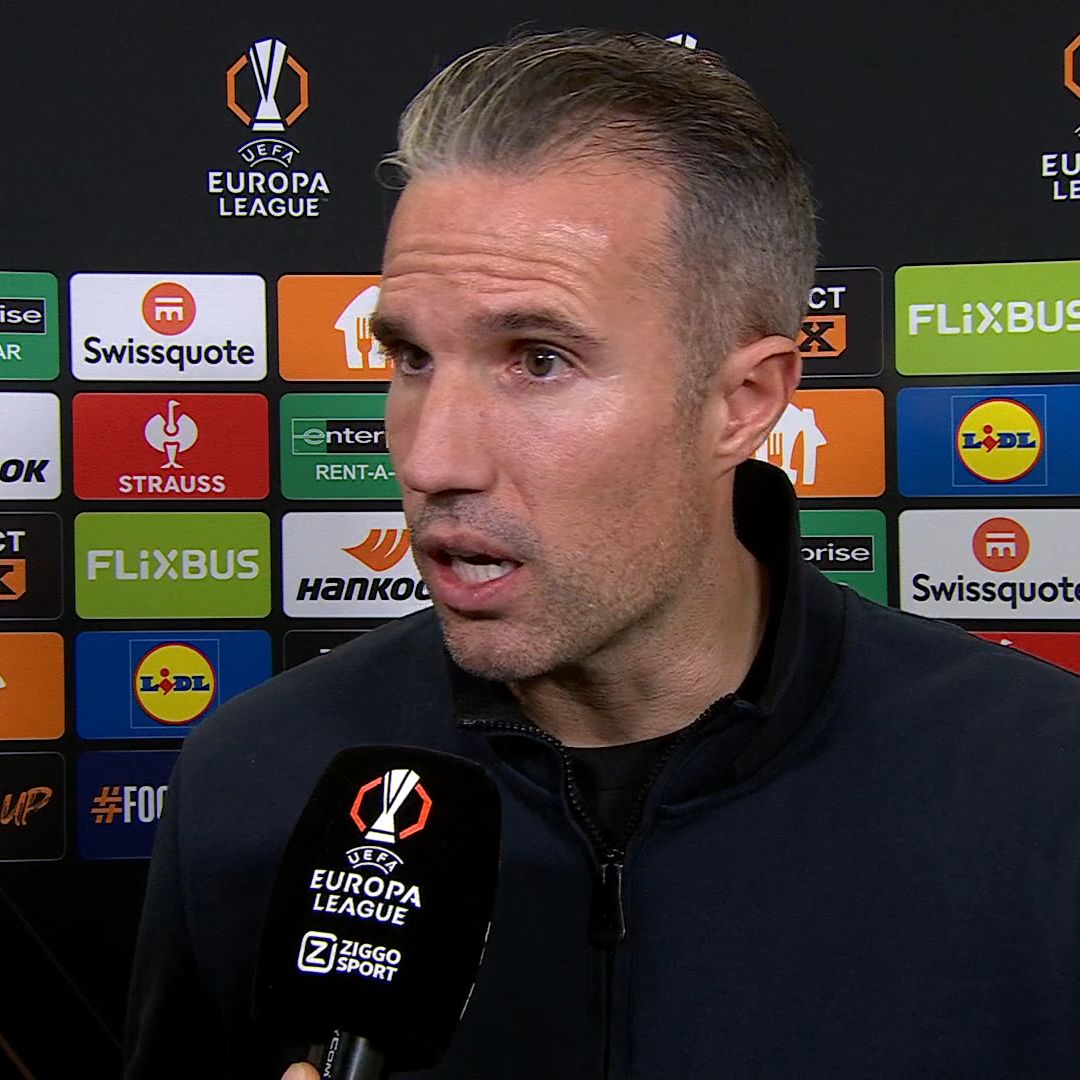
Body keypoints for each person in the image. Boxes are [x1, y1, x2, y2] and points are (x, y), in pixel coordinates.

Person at [126, 29, 1080, 1080]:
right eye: (411, 357)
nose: (433, 458)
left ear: (743, 401)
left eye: (538, 360)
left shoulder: (1044, 784)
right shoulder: (256, 777)